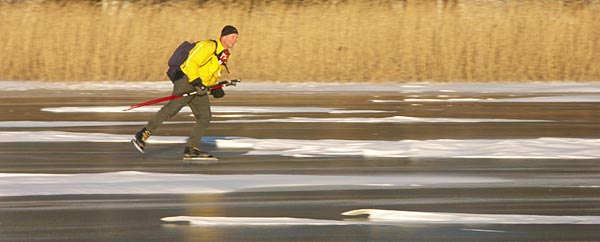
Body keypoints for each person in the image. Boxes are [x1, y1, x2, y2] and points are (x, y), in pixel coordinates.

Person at [131, 25, 239, 161]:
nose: (235, 40)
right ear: (224, 37)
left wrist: (215, 88)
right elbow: (191, 63)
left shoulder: (223, 55)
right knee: (172, 109)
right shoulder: (208, 46)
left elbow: (210, 75)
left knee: (204, 116)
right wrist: (197, 82)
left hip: (199, 86)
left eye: (236, 38)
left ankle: (191, 149)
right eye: (233, 37)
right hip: (187, 80)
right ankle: (142, 134)